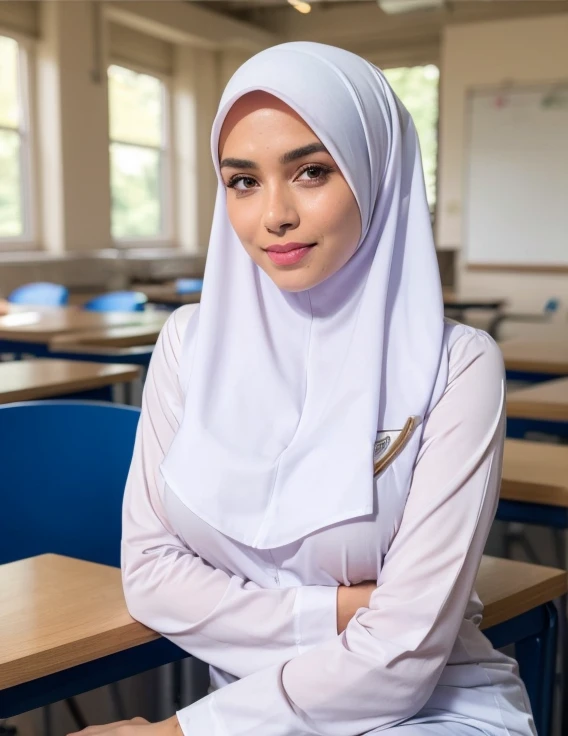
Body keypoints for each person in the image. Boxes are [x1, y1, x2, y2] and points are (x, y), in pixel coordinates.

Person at [72, 43, 535, 736]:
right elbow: (151, 576)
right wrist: (344, 610)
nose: (275, 215)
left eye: (312, 171)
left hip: (434, 714)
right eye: (243, 181)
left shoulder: (459, 366)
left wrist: (177, 733)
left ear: (377, 173)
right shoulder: (189, 345)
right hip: (249, 713)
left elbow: (403, 656)